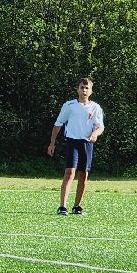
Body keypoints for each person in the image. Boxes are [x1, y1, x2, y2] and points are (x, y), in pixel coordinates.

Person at [47, 78, 105, 215]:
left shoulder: (95, 107)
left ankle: (77, 206)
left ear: (91, 91)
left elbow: (100, 127)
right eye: (82, 87)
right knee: (70, 172)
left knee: (83, 174)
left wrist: (95, 134)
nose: (84, 90)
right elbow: (58, 124)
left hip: (87, 143)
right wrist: (52, 143)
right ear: (78, 89)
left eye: (87, 88)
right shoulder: (69, 105)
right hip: (72, 142)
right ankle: (62, 207)